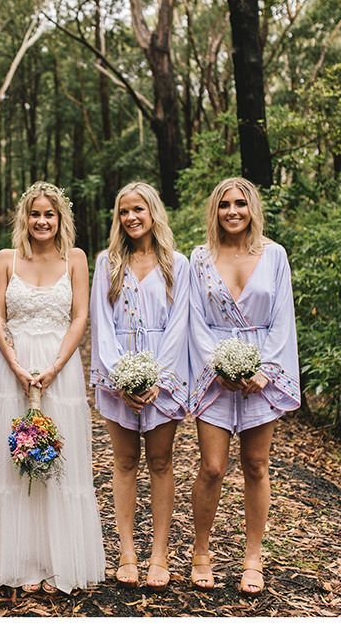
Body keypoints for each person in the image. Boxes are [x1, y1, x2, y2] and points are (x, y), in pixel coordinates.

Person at [0, 181, 105, 594]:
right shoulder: (5, 259)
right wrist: (14, 362)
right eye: (35, 214)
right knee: (15, 460)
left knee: (58, 461)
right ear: (25, 218)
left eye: (49, 214)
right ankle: (21, 560)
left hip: (60, 368)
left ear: (60, 218)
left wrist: (54, 367)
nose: (42, 221)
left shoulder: (76, 259)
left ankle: (58, 560)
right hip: (13, 367)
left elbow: (80, 318)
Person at [187, 177, 300, 595]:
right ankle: (202, 551)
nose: (232, 211)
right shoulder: (199, 258)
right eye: (224, 205)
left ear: (252, 208)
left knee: (256, 465)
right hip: (214, 371)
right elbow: (194, 320)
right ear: (214, 212)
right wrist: (219, 365)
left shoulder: (275, 256)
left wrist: (263, 369)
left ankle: (253, 557)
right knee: (213, 466)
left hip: (261, 372)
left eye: (240, 204)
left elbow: (283, 317)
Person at [90, 182, 190, 589]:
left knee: (161, 462)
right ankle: (127, 550)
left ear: (153, 214)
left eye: (138, 210)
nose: (131, 218)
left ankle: (160, 554)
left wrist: (156, 379)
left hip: (163, 377)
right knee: (125, 461)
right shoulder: (107, 263)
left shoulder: (176, 264)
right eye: (124, 211)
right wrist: (122, 379)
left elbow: (180, 324)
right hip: (120, 377)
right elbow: (101, 323)